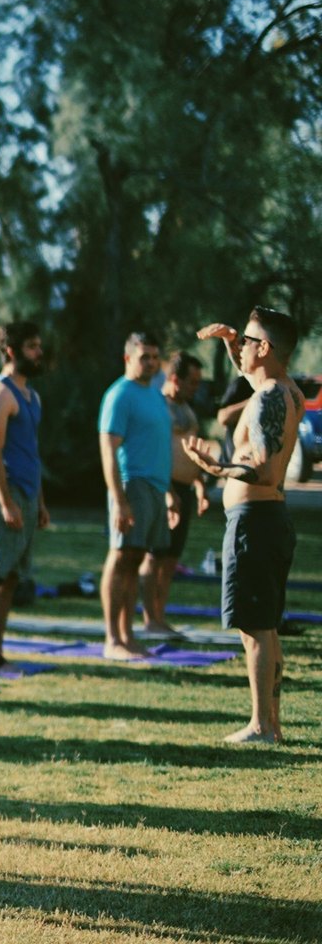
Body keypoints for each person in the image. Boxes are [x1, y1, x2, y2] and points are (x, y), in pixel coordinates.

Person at [183, 309, 303, 743]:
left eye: (249, 341)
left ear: (265, 347)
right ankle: (272, 723)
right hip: (268, 521)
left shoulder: (269, 397)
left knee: (253, 628)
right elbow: (254, 372)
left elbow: (265, 472)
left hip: (254, 522)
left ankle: (260, 725)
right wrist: (231, 341)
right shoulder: (286, 391)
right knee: (265, 624)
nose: (242, 350)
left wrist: (215, 466)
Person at [0, 322, 49, 672]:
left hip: (28, 495)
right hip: (4, 495)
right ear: (10, 351)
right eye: (32, 347)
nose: (39, 353)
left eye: (38, 346)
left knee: (11, 578)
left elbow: (32, 452)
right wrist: (6, 503)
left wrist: (40, 502)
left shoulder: (32, 395)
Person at [97, 331, 171, 660]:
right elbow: (108, 450)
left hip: (155, 488)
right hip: (132, 485)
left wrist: (170, 493)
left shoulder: (154, 393)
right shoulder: (120, 395)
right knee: (121, 557)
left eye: (155, 357)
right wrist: (120, 500)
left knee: (135, 559)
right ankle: (112, 639)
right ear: (128, 358)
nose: (151, 363)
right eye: (144, 357)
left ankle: (128, 637)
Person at [139, 352, 210, 636]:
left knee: (170, 560)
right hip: (162, 489)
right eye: (191, 382)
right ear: (174, 379)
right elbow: (154, 452)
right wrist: (168, 492)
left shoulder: (188, 409)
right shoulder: (159, 406)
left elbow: (191, 452)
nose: (195, 388)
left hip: (184, 489)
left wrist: (200, 485)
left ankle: (160, 616)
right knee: (154, 555)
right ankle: (149, 619)